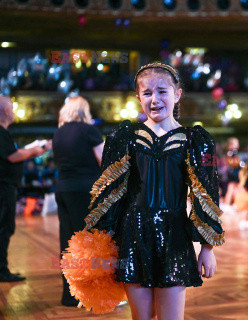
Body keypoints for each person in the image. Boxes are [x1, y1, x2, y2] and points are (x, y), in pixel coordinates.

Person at [82, 62, 224, 319]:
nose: (155, 99)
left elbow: (207, 193)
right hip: (132, 236)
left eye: (162, 91)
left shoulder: (195, 140)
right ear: (138, 97)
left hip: (175, 237)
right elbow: (109, 194)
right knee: (141, 317)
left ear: (177, 94)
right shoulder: (125, 137)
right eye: (147, 93)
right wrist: (102, 246)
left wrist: (207, 248)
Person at [52, 96, 104, 306]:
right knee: (93, 241)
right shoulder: (89, 130)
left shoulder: (58, 134)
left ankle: (70, 295)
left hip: (64, 189)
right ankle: (95, 294)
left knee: (68, 242)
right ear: (84, 111)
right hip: (87, 190)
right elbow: (104, 162)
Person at [0, 96, 51, 282]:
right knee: (4, 228)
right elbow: (13, 157)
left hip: (6, 187)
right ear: (5, 111)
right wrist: (37, 150)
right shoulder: (0, 131)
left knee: (5, 227)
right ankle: (1, 270)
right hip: (4, 188)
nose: (13, 111)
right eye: (12, 108)